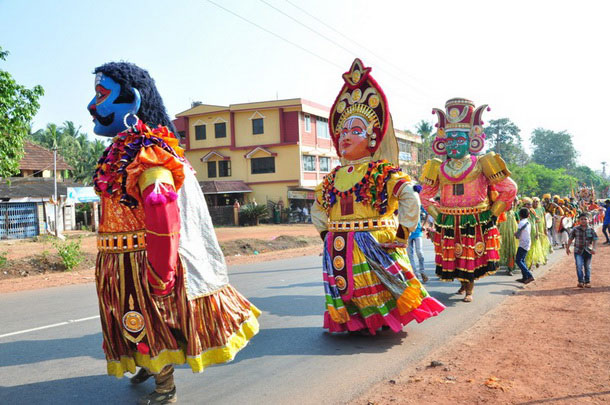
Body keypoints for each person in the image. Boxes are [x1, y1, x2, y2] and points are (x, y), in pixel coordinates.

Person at [88, 62, 260, 404]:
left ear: (132, 101)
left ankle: (165, 385)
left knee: (149, 319)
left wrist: (162, 270)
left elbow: (162, 214)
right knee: (128, 319)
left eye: (102, 95)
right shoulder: (121, 153)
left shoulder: (149, 156)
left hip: (141, 261)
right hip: (117, 259)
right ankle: (147, 363)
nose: (92, 106)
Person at [311, 58, 444, 335]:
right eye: (342, 131)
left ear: (372, 138)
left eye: (355, 131)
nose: (345, 136)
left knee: (379, 287)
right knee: (346, 287)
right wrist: (326, 233)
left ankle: (379, 321)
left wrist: (402, 234)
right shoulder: (332, 178)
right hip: (338, 244)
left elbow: (408, 195)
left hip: (372, 241)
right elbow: (318, 207)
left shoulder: (381, 171)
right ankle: (356, 321)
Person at [420, 98, 518, 302]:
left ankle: (470, 290)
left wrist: (493, 213)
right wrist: (438, 215)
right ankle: (463, 284)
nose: (453, 144)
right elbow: (425, 195)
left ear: (472, 140)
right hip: (448, 219)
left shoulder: (483, 163)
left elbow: (510, 188)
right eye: (449, 140)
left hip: (475, 219)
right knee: (454, 256)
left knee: (470, 255)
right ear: (443, 142)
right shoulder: (437, 167)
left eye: (459, 139)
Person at [566, 213, 599, 288]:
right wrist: (567, 248)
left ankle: (587, 282)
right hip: (578, 251)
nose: (583, 220)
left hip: (588, 251)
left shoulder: (591, 229)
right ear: (579, 220)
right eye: (581, 219)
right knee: (579, 266)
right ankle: (580, 281)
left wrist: (594, 248)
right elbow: (571, 238)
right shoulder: (575, 229)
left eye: (585, 219)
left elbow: (595, 239)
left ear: (588, 220)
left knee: (587, 266)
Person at [498, 196, 519, 275]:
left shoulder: (515, 213)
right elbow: (499, 224)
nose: (512, 206)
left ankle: (511, 268)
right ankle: (507, 267)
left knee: (512, 252)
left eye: (513, 204)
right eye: (511, 204)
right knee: (505, 251)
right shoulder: (502, 213)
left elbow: (519, 223)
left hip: (513, 237)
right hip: (504, 236)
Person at [408, 205, 429, 283]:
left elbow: (427, 213)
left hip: (418, 232)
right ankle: (415, 274)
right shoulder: (404, 204)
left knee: (419, 252)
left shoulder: (418, 204)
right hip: (407, 233)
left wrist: (423, 225)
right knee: (410, 255)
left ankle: (422, 272)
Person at [514, 208, 535, 284]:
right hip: (527, 242)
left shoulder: (521, 223)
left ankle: (529, 275)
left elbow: (517, 235)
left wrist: (515, 234)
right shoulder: (527, 222)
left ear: (520, 215)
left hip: (523, 243)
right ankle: (525, 277)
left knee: (518, 260)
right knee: (522, 260)